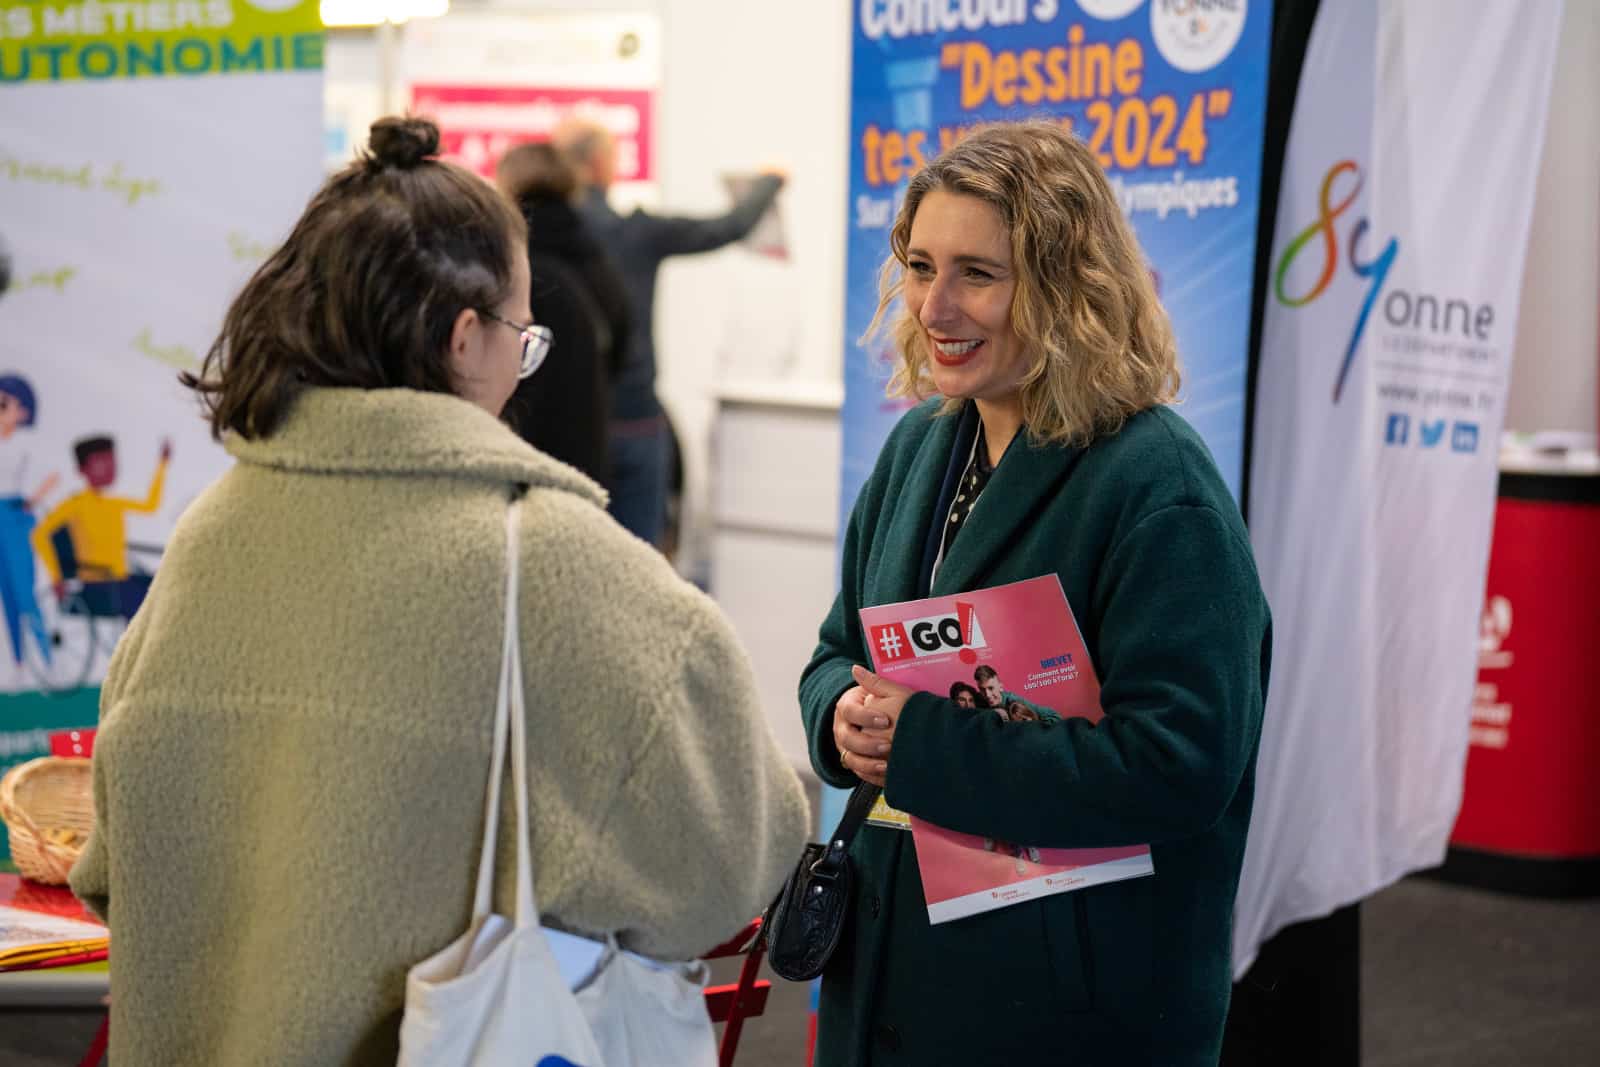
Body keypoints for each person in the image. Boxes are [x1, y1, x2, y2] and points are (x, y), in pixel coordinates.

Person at [68, 117, 809, 1067]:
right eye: (523, 335)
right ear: (467, 338)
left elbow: (113, 867)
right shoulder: (562, 564)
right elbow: (733, 865)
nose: (521, 363)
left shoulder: (211, 534)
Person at [797, 122, 1271, 1065]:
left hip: (1063, 1015)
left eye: (978, 272)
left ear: (1067, 289)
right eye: (922, 265)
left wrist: (923, 743)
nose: (935, 305)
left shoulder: (1157, 487)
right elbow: (836, 646)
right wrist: (838, 716)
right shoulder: (918, 447)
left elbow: (1180, 765)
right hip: (897, 979)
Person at [553, 118, 784, 547]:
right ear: (601, 163)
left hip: (571, 423)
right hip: (635, 417)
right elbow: (727, 227)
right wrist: (771, 181)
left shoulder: (538, 239)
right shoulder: (637, 232)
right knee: (640, 560)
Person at [495, 142, 631, 486]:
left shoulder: (512, 265)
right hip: (587, 442)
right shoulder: (595, 255)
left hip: (521, 453)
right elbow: (623, 337)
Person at [31, 434, 169, 618]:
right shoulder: (75, 504)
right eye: (101, 463)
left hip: (119, 580)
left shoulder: (113, 503)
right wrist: (57, 577)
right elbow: (39, 535)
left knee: (166, 587)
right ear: (82, 470)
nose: (110, 469)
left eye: (112, 462)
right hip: (97, 584)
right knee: (142, 598)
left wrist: (162, 464)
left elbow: (150, 506)